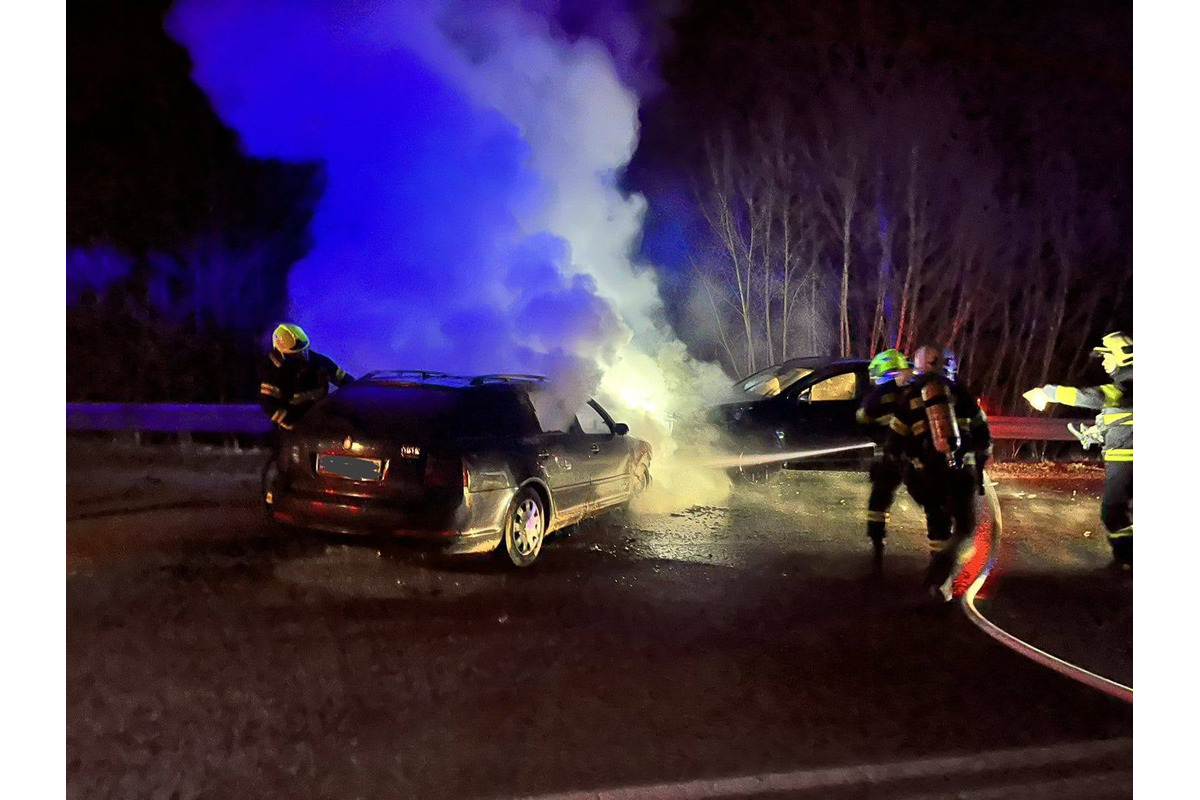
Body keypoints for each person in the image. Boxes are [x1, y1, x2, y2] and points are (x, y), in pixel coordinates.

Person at [1023, 331, 1133, 565]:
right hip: (1123, 457)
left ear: (1122, 356)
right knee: (1119, 512)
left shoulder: (1129, 385)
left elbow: (1095, 397)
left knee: (1114, 512)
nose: (1103, 362)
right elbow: (1123, 419)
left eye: (1107, 356)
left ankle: (1128, 560)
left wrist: (1049, 393)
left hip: (1127, 459)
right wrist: (1097, 433)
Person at [895, 345, 991, 602]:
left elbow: (895, 440)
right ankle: (937, 579)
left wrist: (907, 470)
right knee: (965, 528)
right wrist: (979, 467)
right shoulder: (963, 396)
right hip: (960, 475)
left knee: (937, 526)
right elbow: (983, 437)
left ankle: (938, 586)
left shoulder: (909, 396)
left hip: (925, 476)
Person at [857, 349, 914, 560]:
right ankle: (942, 542)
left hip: (890, 456)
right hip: (916, 455)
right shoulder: (915, 389)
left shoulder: (880, 393)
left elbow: (863, 416)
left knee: (879, 499)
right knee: (931, 500)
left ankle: (877, 541)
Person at [258, 323, 354, 431]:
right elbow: (269, 405)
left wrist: (359, 392)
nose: (303, 357)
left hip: (322, 417)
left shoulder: (319, 362)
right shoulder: (272, 372)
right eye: (295, 354)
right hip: (294, 427)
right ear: (281, 353)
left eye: (304, 351)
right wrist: (291, 424)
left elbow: (346, 381)